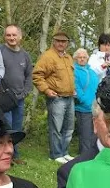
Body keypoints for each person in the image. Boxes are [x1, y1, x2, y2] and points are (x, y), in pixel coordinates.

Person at [32, 31, 75, 164]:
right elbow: (37, 75)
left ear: (67, 43)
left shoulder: (68, 57)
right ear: (54, 41)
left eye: (64, 41)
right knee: (56, 127)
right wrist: (46, 90)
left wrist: (73, 89)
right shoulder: (48, 56)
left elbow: (70, 77)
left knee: (69, 127)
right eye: (58, 41)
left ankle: (64, 152)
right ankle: (55, 154)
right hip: (56, 98)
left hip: (70, 97)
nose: (61, 43)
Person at [0, 24, 33, 165]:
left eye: (14, 35)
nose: (11, 38)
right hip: (5, 98)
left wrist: (25, 92)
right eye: (8, 35)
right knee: (6, 127)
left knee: (17, 128)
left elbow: (29, 76)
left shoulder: (25, 55)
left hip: (19, 99)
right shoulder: (0, 51)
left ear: (20, 36)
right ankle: (4, 156)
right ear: (5, 36)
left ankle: (15, 155)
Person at [73, 48, 98, 155]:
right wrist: (85, 101)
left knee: (94, 133)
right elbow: (76, 88)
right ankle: (85, 154)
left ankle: (92, 152)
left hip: (94, 107)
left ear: (87, 58)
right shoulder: (74, 71)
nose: (82, 59)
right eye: (79, 57)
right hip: (83, 108)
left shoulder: (92, 72)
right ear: (76, 59)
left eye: (84, 57)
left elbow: (97, 87)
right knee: (85, 133)